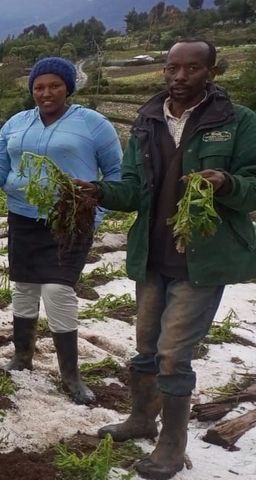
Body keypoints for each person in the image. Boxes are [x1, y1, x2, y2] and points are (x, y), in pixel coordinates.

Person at [75, 39, 256, 480]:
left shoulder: (238, 122)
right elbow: (134, 187)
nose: (179, 77)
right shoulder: (148, 120)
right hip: (153, 254)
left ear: (212, 72)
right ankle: (141, 417)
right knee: (145, 349)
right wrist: (99, 191)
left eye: (191, 69)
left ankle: (172, 444)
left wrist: (227, 183)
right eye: (172, 69)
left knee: (173, 355)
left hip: (202, 259)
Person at [0, 56, 122, 405]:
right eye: (39, 87)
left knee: (57, 291)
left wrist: (94, 212)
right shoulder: (16, 123)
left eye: (54, 85)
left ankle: (70, 375)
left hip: (68, 220)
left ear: (68, 87)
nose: (46, 93)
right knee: (23, 289)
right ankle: (22, 357)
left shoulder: (92, 124)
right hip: (22, 217)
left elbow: (115, 173)